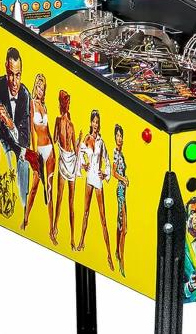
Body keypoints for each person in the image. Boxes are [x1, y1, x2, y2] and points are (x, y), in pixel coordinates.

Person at [0, 47, 44, 229]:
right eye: (10, 75)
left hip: (20, 144)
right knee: (8, 158)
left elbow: (23, 139)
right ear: (5, 70)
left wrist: (10, 123)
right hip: (5, 141)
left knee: (23, 162)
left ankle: (23, 209)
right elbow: (1, 129)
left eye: (18, 75)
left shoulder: (25, 96)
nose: (14, 82)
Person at [77, 110, 114, 271]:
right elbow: (80, 153)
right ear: (91, 122)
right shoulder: (87, 138)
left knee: (103, 218)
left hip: (97, 179)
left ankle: (109, 255)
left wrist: (105, 174)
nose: (96, 124)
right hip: (89, 177)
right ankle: (81, 242)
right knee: (85, 212)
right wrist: (83, 164)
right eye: (94, 121)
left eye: (98, 122)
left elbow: (107, 160)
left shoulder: (101, 142)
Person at [23, 73, 56, 241]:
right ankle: (25, 219)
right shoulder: (32, 104)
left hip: (50, 149)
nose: (41, 91)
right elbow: (31, 130)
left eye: (43, 88)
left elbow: (48, 130)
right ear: (35, 87)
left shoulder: (45, 106)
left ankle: (51, 230)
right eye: (39, 87)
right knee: (35, 187)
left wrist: (54, 149)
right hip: (39, 150)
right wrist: (34, 153)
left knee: (49, 190)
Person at [53, 91, 82, 249]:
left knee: (69, 201)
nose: (67, 105)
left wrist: (79, 140)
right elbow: (56, 139)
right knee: (61, 197)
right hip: (65, 158)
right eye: (67, 102)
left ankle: (70, 237)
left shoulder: (68, 124)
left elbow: (74, 149)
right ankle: (56, 229)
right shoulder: (62, 122)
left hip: (69, 159)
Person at [112, 124, 129, 277]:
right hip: (121, 190)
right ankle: (121, 260)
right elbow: (114, 173)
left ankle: (118, 251)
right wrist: (124, 179)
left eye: (121, 135)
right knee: (124, 227)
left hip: (123, 190)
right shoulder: (116, 153)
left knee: (121, 224)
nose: (119, 138)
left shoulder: (121, 153)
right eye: (117, 135)